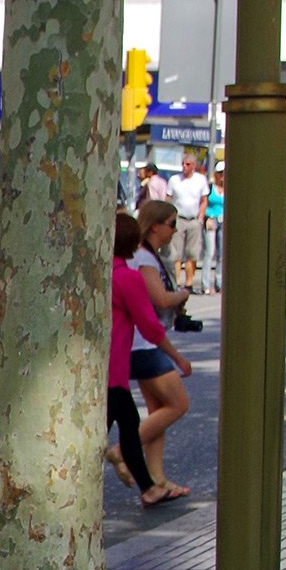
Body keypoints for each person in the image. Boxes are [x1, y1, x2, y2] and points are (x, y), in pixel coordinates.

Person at [110, 212, 191, 508]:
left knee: (131, 422)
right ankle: (147, 484)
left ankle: (151, 486)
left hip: (107, 364)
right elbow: (149, 324)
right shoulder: (127, 277)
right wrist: (177, 357)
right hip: (114, 365)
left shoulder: (102, 273)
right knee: (126, 425)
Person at [166, 156, 209, 291]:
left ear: (194, 166)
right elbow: (168, 198)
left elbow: (204, 200)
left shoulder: (200, 180)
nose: (184, 166)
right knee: (175, 253)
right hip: (179, 219)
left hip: (194, 219)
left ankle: (189, 283)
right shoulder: (175, 180)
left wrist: (201, 217)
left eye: (188, 164)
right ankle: (177, 282)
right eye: (183, 164)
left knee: (192, 253)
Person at [202, 162, 224, 294]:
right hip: (211, 220)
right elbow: (204, 202)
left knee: (221, 254)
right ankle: (206, 285)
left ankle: (219, 283)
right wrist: (204, 216)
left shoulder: (230, 187)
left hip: (224, 221)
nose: (223, 176)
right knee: (209, 252)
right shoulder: (210, 187)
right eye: (220, 173)